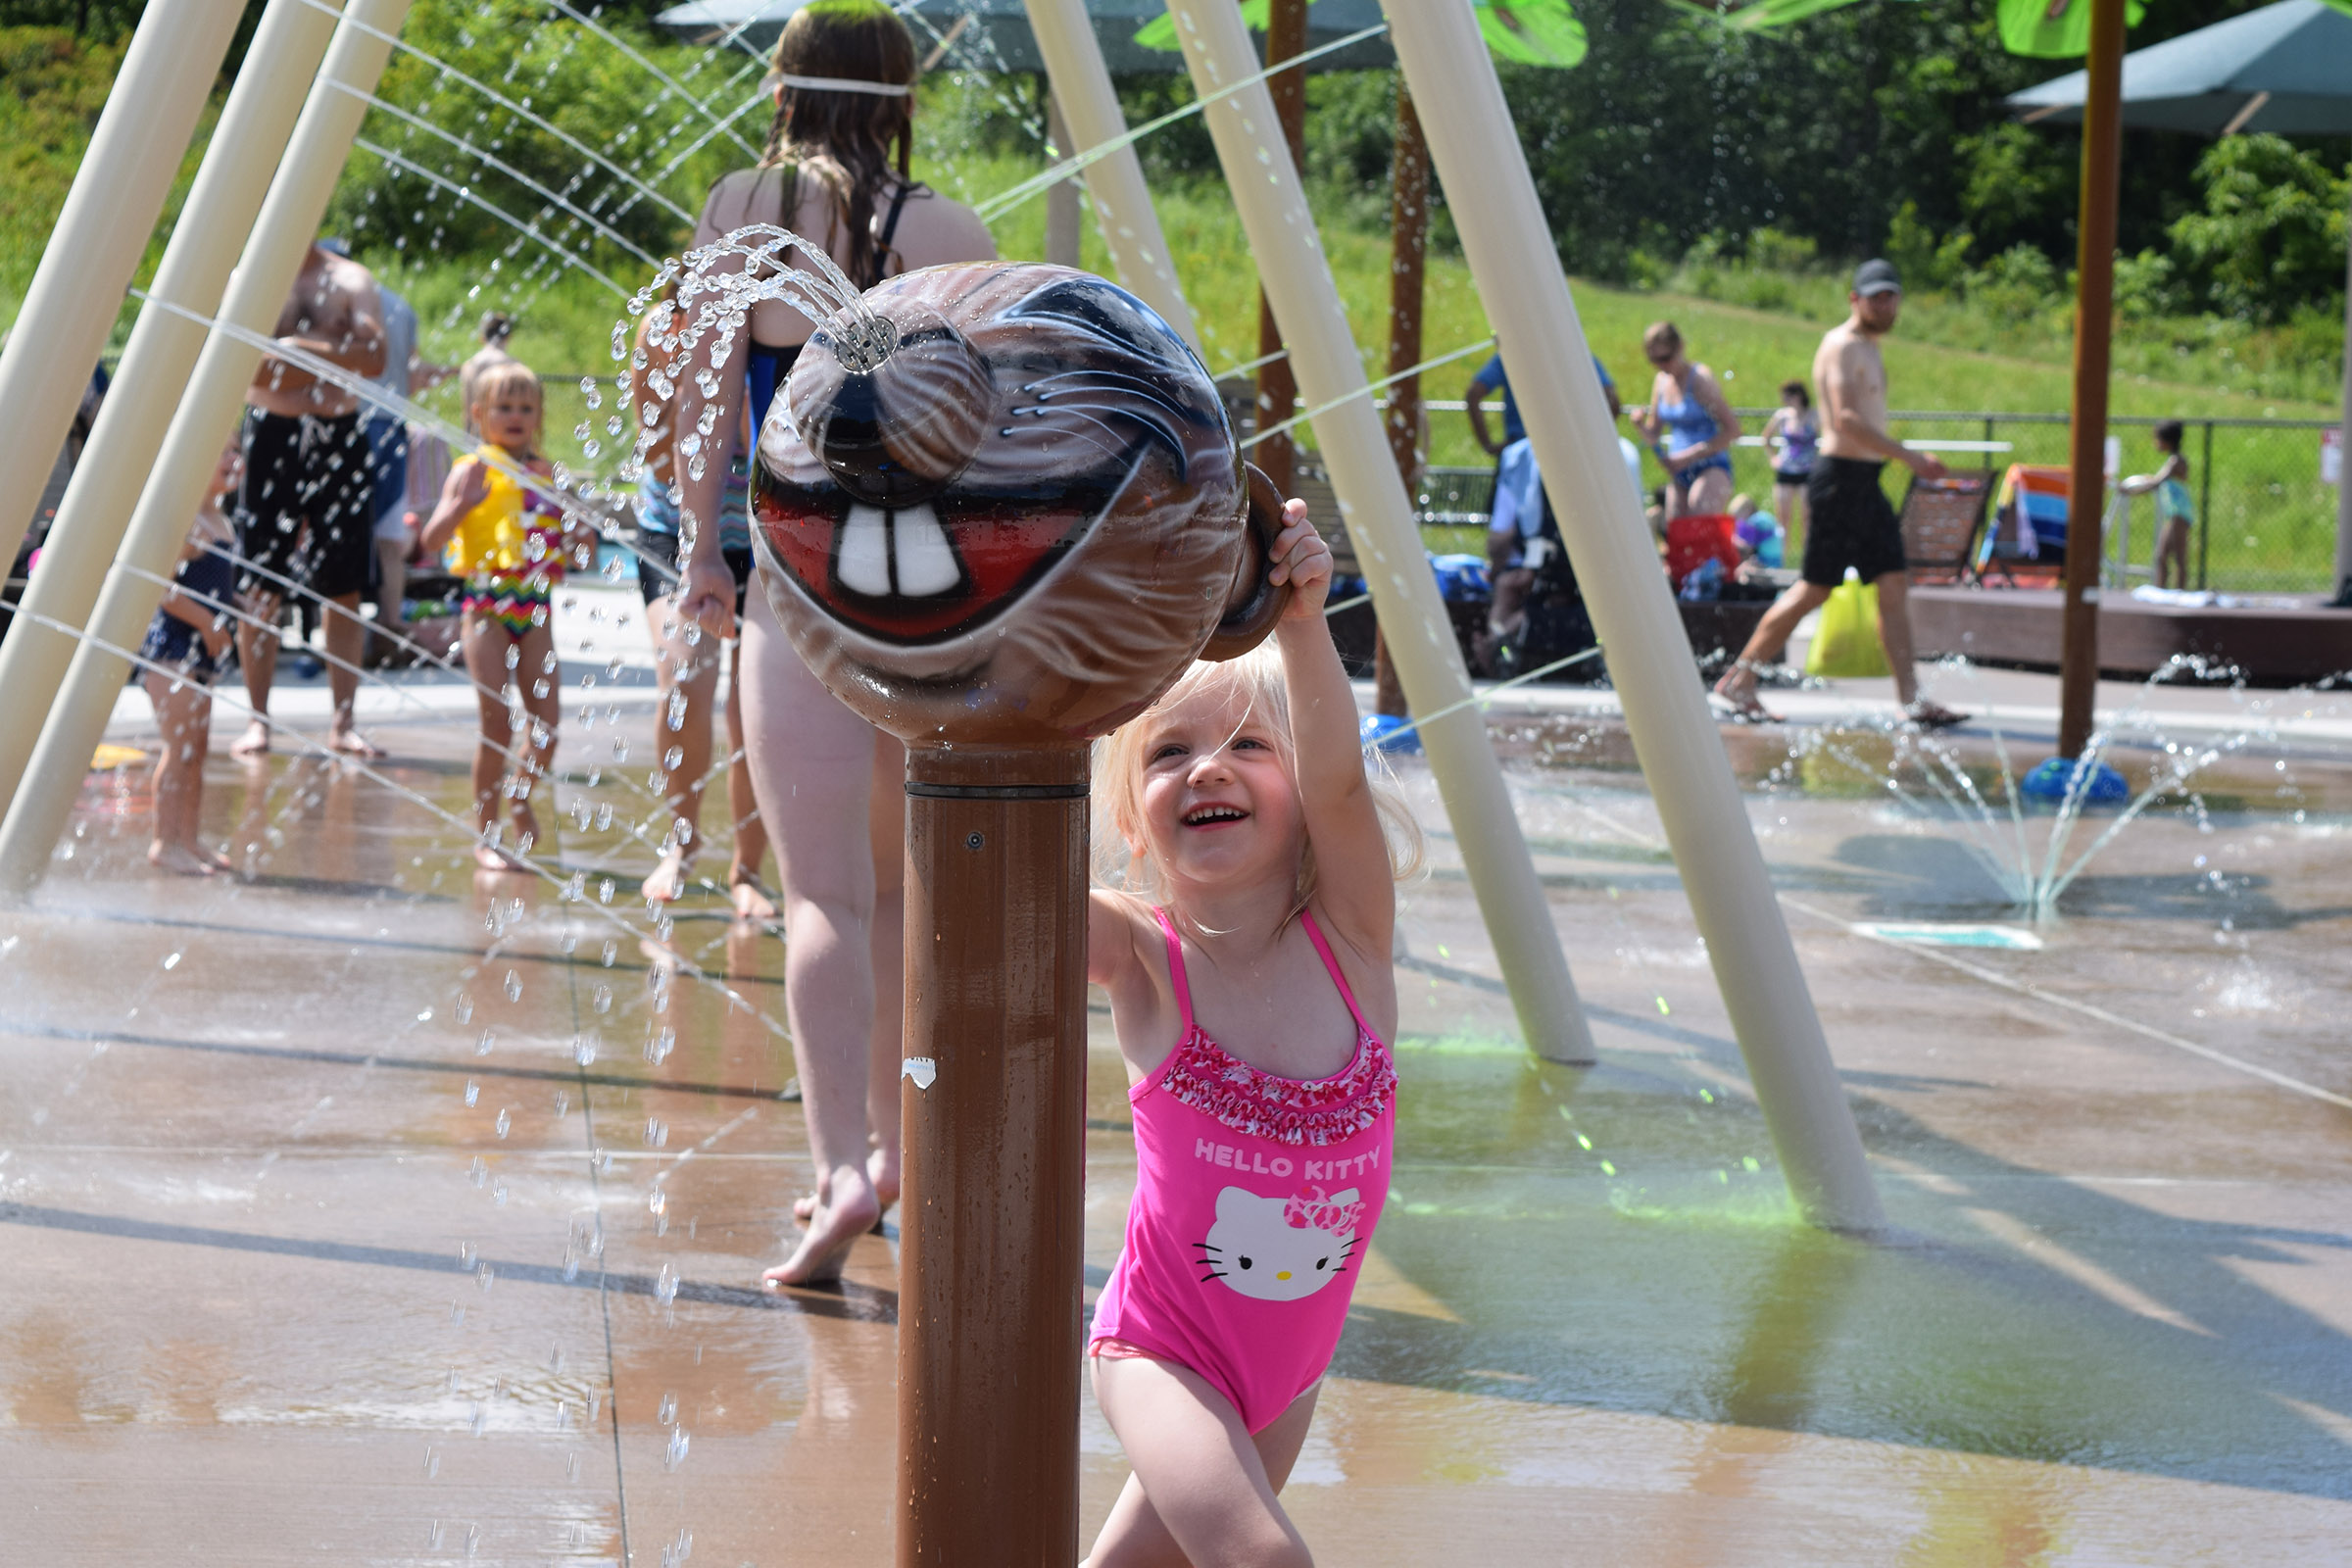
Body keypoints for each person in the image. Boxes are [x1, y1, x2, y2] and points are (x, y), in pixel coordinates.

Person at [669, 0, 997, 1284]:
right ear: (901, 93)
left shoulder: (741, 207)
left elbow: (707, 410)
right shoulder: (952, 231)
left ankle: (838, 1169)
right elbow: (986, 419)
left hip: (798, 576)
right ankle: (909, 1150)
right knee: (905, 893)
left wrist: (702, 553)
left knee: (821, 897)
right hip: (923, 588)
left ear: (783, 89)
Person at [1084, 502, 1417, 1568]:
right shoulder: (1146, 958)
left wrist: (1307, 620)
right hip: (1162, 1350)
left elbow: (1343, 777)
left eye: (1245, 744)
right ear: (1135, 817)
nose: (1208, 768)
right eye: (1168, 753)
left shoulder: (1353, 943)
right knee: (1265, 1560)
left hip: (1289, 1369)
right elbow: (1008, 867)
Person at [1712, 260, 1966, 728]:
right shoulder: (1841, 346)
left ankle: (1911, 698)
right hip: (1839, 481)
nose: (1886, 306)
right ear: (1855, 299)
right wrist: (1910, 457)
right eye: (1876, 298)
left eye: (1892, 297)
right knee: (1814, 589)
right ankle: (1739, 680)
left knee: (1892, 583)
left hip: (1865, 481)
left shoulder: (1868, 348)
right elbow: (1846, 419)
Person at [630, 283, 776, 920]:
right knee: (686, 672)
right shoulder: (664, 332)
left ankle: (748, 869)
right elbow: (664, 459)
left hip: (764, 547)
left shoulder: (779, 337)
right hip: (678, 537)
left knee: (755, 708)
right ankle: (681, 846)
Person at [415, 362, 583, 868]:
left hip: (535, 610)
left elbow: (577, 552)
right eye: (503, 408)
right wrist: (459, 507)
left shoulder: (549, 474)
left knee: (547, 727)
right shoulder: (473, 469)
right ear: (478, 415)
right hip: (486, 609)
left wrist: (578, 539)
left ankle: (519, 796)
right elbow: (431, 542)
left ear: (539, 416)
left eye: (526, 408)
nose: (515, 416)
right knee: (497, 726)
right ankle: (485, 835)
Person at [231, 238, 388, 758]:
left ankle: (343, 722)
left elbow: (376, 358)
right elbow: (247, 367)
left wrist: (297, 353)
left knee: (342, 588)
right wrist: (332, 356)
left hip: (338, 432)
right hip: (271, 430)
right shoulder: (249, 275)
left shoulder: (350, 280)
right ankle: (258, 720)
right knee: (260, 583)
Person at [138, 440, 243, 876]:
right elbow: (160, 588)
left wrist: (240, 605)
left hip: (201, 650)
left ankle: (189, 837)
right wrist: (205, 622)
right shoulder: (190, 522)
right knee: (178, 747)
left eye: (236, 449)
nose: (232, 460)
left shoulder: (221, 521)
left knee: (196, 751)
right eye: (220, 450)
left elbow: (213, 584)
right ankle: (164, 842)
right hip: (172, 649)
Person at [1629, 321, 1739, 520]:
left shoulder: (1700, 380)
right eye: (1653, 360)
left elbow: (1733, 431)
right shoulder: (1661, 381)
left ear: (1679, 348)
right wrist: (1639, 425)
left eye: (1665, 358)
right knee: (1676, 531)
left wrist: (1688, 456)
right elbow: (1653, 434)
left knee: (1697, 522)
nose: (1660, 366)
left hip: (1711, 465)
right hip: (1680, 471)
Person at [2122, 418, 2193, 590]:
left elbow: (2157, 483)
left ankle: (2177, 592)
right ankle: (2162, 590)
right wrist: (2148, 480)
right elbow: (2159, 481)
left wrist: (2130, 492)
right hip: (2174, 514)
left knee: (2176, 556)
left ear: (2167, 441)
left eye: (2157, 439)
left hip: (2179, 514)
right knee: (2162, 555)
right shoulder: (2173, 461)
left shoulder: (2176, 461)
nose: (2156, 443)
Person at [1762, 379, 1819, 543]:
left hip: (1807, 471)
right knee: (1783, 518)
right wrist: (1773, 458)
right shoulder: (1782, 416)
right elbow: (1766, 437)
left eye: (1788, 397)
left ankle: (1805, 560)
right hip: (1785, 470)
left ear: (1798, 396)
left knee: (1807, 519)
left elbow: (1828, 436)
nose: (1785, 401)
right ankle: (1782, 558)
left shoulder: (1813, 415)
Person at [459, 313, 517, 434]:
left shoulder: (469, 365)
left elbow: (467, 410)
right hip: (506, 433)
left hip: (478, 434)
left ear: (482, 338)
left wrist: (467, 437)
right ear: (509, 337)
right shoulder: (514, 365)